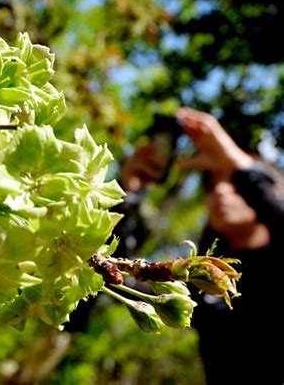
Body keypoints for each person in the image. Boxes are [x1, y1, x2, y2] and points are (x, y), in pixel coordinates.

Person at [121, 107, 283, 384]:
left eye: (233, 183)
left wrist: (239, 166)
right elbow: (119, 280)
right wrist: (126, 195)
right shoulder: (202, 284)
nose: (220, 190)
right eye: (212, 186)